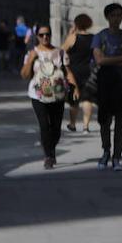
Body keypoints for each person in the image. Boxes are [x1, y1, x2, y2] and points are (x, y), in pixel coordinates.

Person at [21, 24, 79, 169]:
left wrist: (75, 87)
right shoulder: (31, 53)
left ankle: (49, 148)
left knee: (56, 129)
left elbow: (68, 72)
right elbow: (24, 75)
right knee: (44, 126)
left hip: (57, 94)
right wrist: (30, 60)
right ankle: (49, 155)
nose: (45, 37)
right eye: (41, 35)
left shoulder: (59, 53)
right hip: (38, 95)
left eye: (47, 34)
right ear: (37, 37)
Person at [91, 2, 122, 172]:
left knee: (121, 121)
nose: (117, 18)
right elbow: (99, 60)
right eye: (113, 15)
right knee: (105, 120)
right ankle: (106, 151)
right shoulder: (99, 37)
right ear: (107, 17)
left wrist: (110, 60)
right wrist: (121, 58)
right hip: (105, 84)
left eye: (119, 15)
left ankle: (117, 156)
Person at [62, 13, 96, 133]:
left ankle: (72, 124)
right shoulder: (93, 38)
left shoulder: (73, 37)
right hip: (88, 70)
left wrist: (70, 34)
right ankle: (86, 126)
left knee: (74, 100)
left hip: (73, 71)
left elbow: (62, 50)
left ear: (76, 24)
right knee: (87, 99)